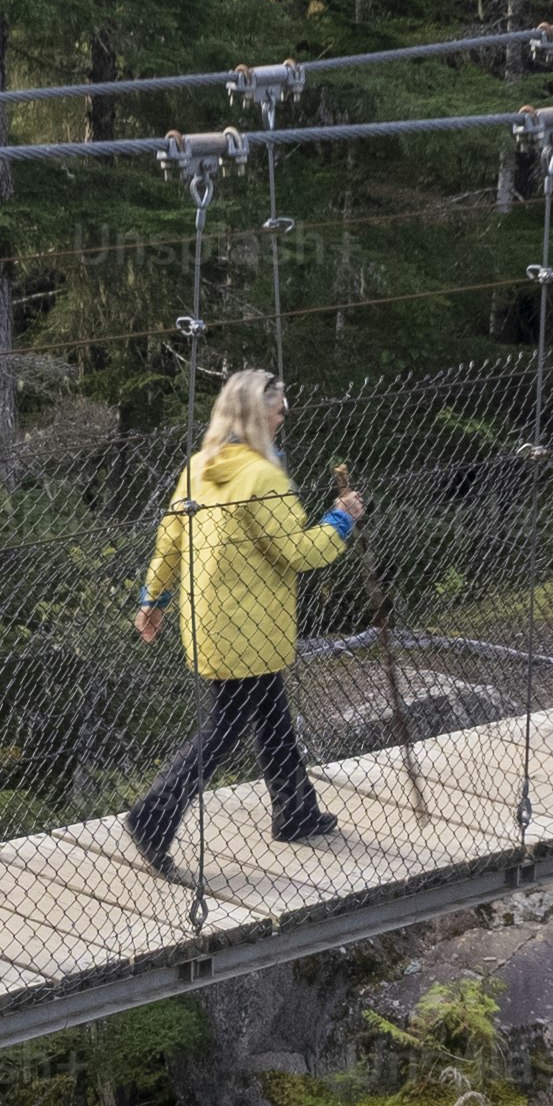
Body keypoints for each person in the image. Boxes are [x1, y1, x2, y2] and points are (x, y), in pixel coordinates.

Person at [127, 368, 364, 877]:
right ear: (259, 414)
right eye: (279, 405)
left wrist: (154, 597)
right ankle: (153, 817)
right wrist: (340, 518)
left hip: (209, 619)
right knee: (221, 731)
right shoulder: (263, 475)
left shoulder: (199, 467)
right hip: (251, 628)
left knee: (270, 712)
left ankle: (296, 811)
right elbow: (298, 552)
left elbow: (170, 538)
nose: (285, 413)